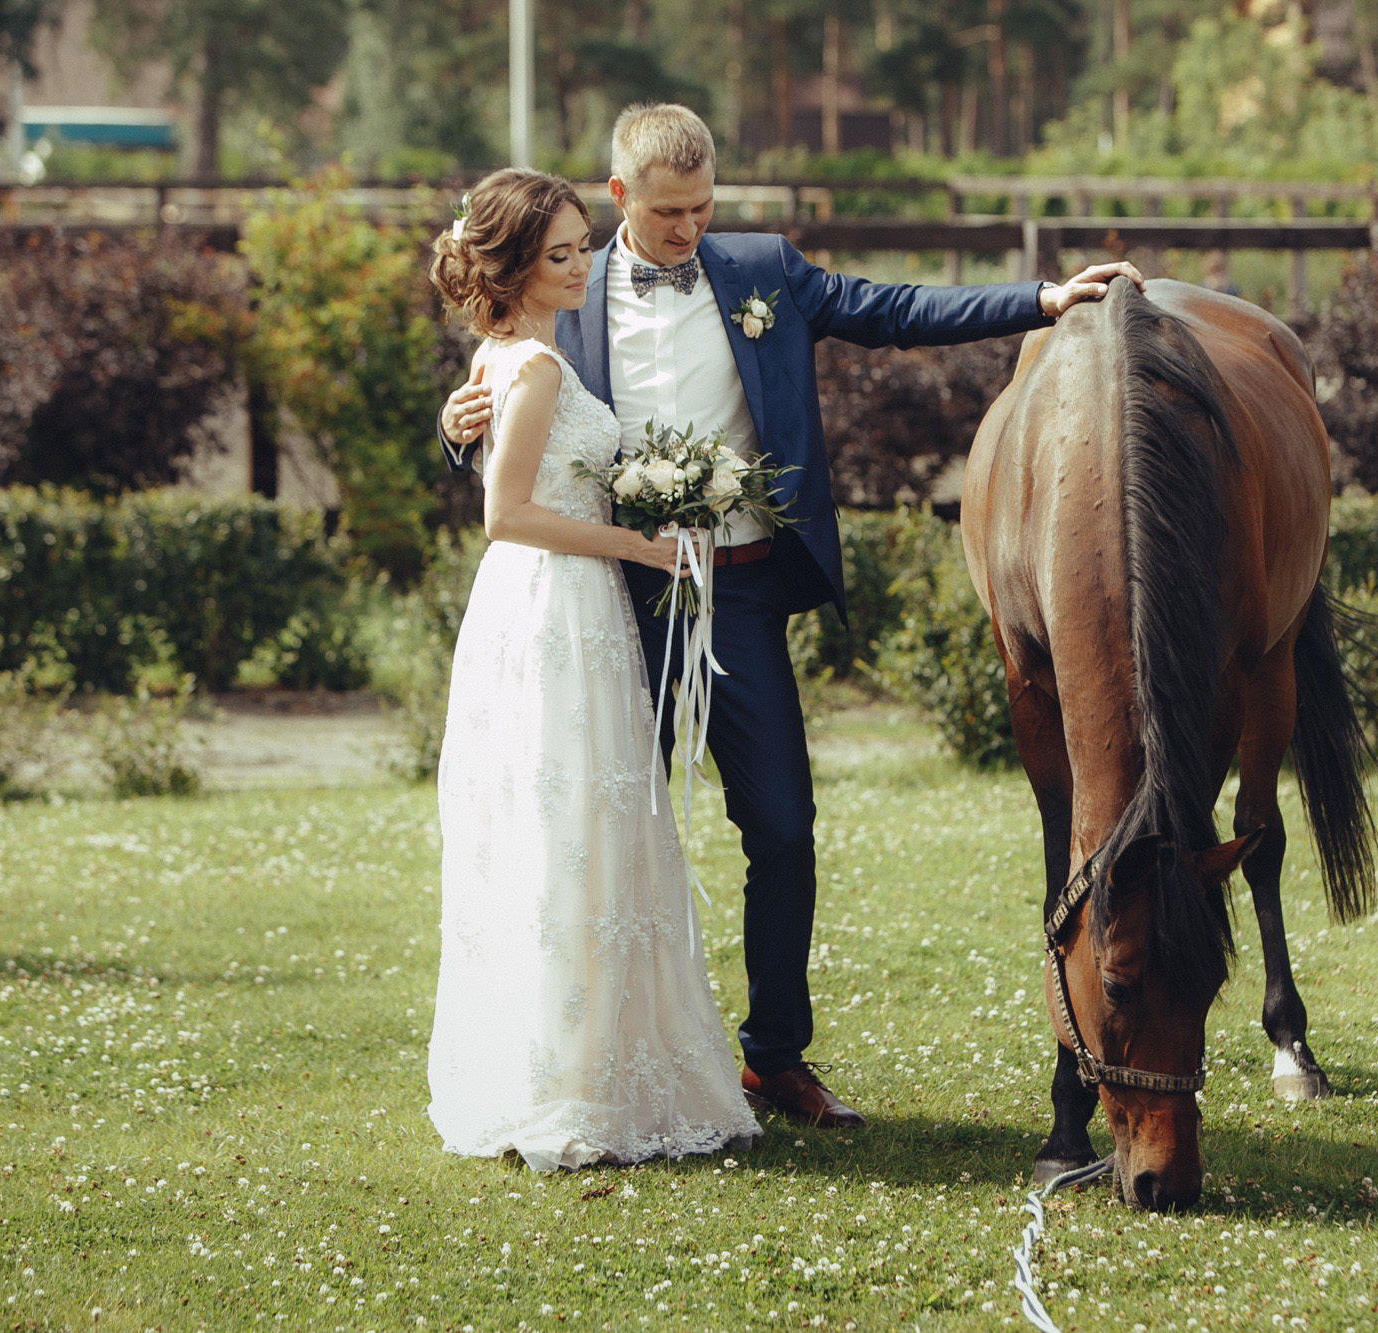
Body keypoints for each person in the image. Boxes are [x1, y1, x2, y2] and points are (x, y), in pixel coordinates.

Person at [439, 103, 1142, 1130]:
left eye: (703, 209)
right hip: (608, 594)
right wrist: (456, 432)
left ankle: (774, 1056)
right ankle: (587, 1060)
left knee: (782, 825)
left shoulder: (763, 271)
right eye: (668, 213)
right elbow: (513, 430)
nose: (689, 230)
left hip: (741, 588)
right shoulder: (567, 284)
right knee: (593, 828)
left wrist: (1040, 299)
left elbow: (888, 306)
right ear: (619, 196)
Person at [424, 167, 759, 1168]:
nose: (580, 268)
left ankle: (605, 1066)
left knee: (592, 828)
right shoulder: (527, 367)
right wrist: (644, 548)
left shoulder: (516, 358)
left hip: (572, 609)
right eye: (560, 254)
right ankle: (566, 1082)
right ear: (516, 264)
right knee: (566, 827)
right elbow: (505, 514)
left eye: (581, 248)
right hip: (551, 604)